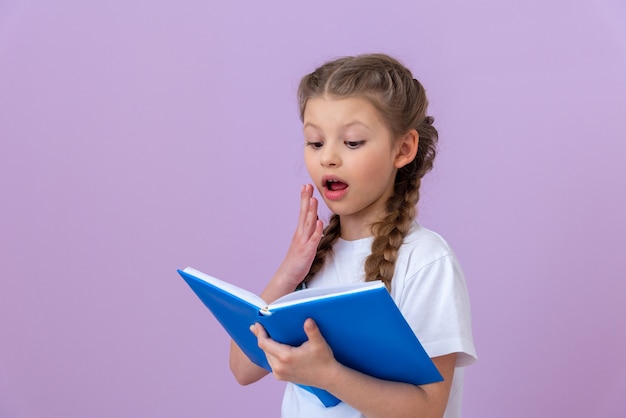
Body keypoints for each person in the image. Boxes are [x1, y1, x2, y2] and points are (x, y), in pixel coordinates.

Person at [229, 53, 477, 418]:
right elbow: (243, 369)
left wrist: (329, 375)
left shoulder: (426, 260)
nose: (328, 158)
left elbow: (428, 409)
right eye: (315, 142)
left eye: (353, 142)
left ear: (403, 148)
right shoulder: (312, 259)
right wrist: (288, 272)